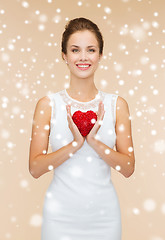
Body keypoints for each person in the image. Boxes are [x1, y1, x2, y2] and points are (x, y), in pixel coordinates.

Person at [29, 17, 135, 240]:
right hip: (59, 218)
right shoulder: (48, 105)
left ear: (100, 56)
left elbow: (128, 167)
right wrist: (75, 145)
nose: (83, 57)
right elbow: (35, 168)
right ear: (64, 56)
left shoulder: (117, 105)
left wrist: (95, 143)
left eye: (91, 50)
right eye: (75, 50)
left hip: (105, 217)